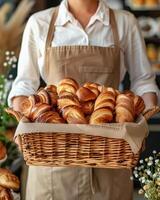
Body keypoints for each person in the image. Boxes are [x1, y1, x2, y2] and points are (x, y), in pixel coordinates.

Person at [8, 0, 158, 199]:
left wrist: (142, 125)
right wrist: (26, 127)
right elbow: (24, 86)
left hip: (111, 157)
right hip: (53, 160)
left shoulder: (124, 22)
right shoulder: (39, 23)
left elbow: (143, 81)